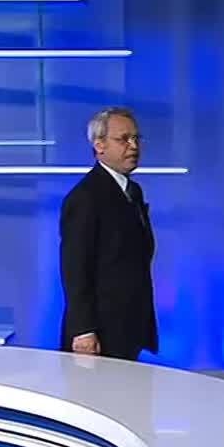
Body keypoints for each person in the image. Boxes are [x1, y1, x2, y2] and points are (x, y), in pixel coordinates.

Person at [59, 107, 158, 361]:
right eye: (123, 139)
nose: (133, 146)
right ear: (99, 145)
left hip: (129, 327)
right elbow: (75, 269)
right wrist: (83, 330)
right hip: (99, 334)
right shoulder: (85, 197)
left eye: (136, 138)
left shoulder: (133, 192)